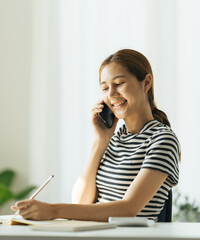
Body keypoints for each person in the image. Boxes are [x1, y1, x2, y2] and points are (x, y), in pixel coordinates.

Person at [11, 49, 180, 222]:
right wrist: (101, 141)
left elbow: (128, 209)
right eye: (105, 88)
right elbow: (80, 201)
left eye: (119, 83)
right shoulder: (115, 139)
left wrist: (54, 211)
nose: (111, 94)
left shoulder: (162, 139)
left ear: (146, 83)